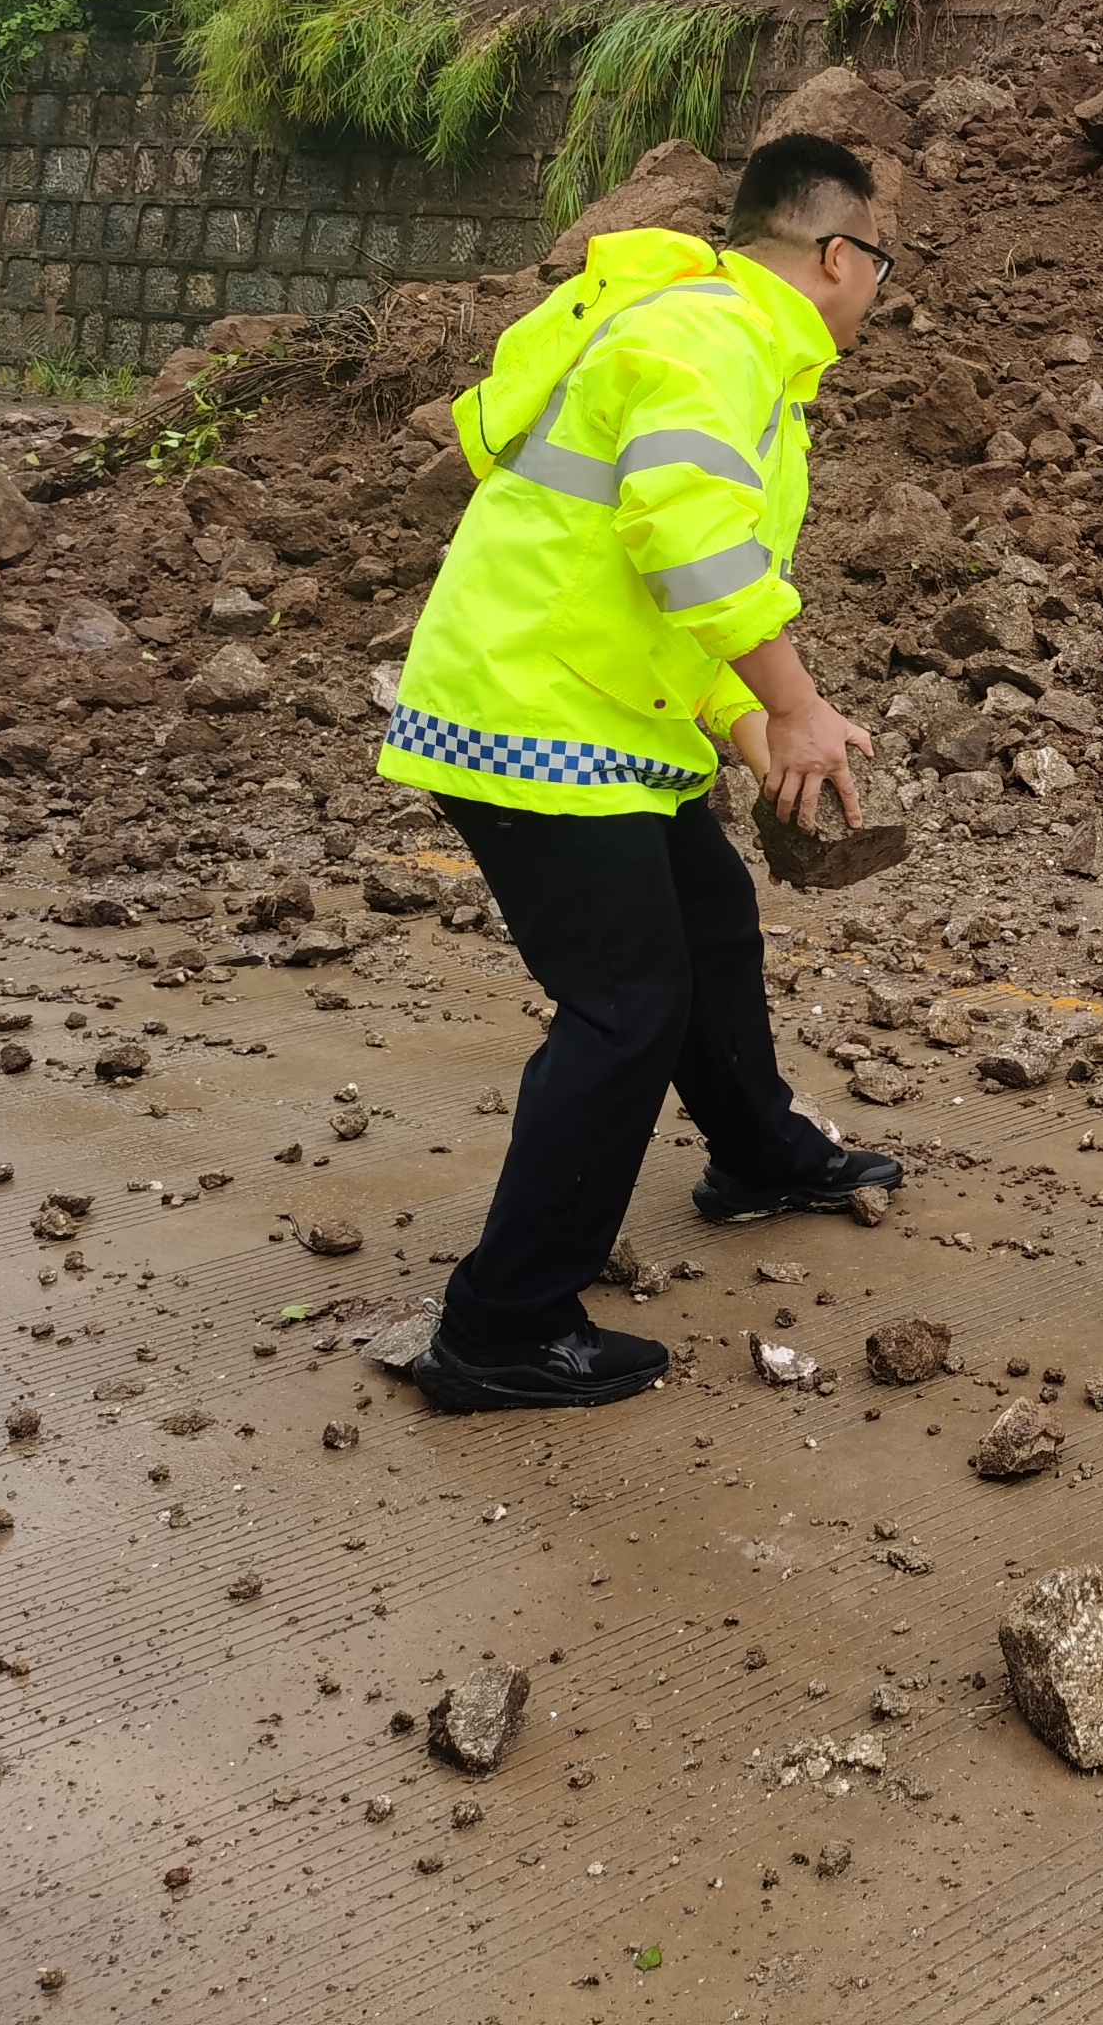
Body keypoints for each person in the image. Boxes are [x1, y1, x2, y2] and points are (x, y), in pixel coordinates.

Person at [377, 130, 907, 1411]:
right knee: (628, 1003)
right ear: (838, 256)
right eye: (883, 263)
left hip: (603, 713)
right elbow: (687, 538)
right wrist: (800, 702)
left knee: (710, 923)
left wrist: (754, 729)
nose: (884, 290)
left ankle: (758, 1157)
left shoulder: (739, 354)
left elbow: (675, 589)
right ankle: (500, 1327)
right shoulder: (712, 342)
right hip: (537, 713)